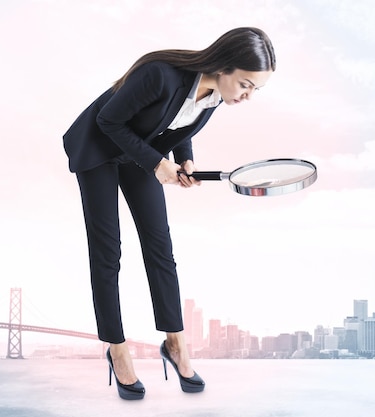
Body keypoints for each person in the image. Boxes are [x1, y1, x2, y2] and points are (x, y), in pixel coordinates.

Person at [63, 27, 275, 400]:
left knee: (161, 248)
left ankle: (175, 344)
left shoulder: (217, 97)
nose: (248, 95)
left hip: (138, 151)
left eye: (255, 89)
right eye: (246, 84)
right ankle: (117, 349)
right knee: (108, 253)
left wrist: (184, 159)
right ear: (224, 66)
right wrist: (156, 163)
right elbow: (108, 121)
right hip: (97, 148)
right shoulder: (159, 74)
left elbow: (178, 122)